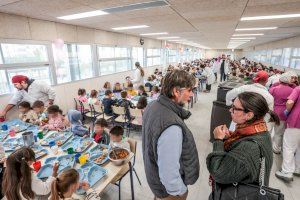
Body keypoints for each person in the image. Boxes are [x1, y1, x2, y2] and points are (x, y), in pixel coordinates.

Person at [207, 92, 279, 199]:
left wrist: (218, 140)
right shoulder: (260, 130)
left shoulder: (249, 147)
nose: (230, 110)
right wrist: (228, 138)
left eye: (235, 108)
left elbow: (219, 173)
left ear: (249, 115)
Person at [142, 70, 199, 200]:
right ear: (176, 92)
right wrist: (180, 190)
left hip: (154, 177)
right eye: (189, 90)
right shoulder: (171, 126)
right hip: (168, 191)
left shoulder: (152, 105)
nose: (191, 94)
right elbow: (168, 173)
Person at [275, 86, 300, 181]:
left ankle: (287, 171)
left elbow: (289, 102)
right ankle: (298, 169)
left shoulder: (298, 89)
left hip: (296, 121)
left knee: (289, 146)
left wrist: (288, 111)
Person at [269, 72, 295, 154]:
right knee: (279, 133)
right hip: (284, 114)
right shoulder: (292, 90)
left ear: (280, 80)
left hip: (272, 111)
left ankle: (267, 145)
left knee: (269, 130)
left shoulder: (273, 89)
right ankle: (276, 149)